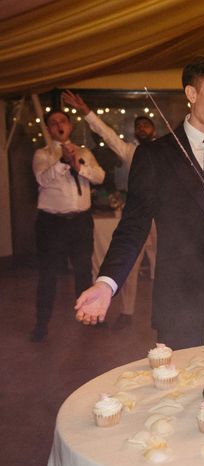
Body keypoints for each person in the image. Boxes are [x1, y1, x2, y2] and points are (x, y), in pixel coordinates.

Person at [74, 54, 204, 349]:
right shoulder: (154, 156)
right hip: (181, 302)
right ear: (191, 93)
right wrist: (106, 283)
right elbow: (133, 227)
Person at [62, 90, 158, 329]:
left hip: (164, 218)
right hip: (138, 217)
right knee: (131, 263)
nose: (143, 129)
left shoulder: (166, 152)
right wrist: (86, 112)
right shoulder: (130, 152)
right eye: (140, 126)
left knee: (161, 264)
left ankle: (163, 313)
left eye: (147, 125)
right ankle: (127, 312)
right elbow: (107, 133)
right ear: (136, 132)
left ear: (154, 130)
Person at [31, 110, 105, 342]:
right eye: (53, 123)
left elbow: (100, 177)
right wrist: (63, 162)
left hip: (81, 222)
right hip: (52, 223)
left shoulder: (84, 152)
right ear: (48, 129)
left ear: (70, 125)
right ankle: (41, 325)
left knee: (84, 271)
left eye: (62, 121)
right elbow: (41, 179)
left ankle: (89, 317)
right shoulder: (42, 154)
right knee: (48, 275)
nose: (58, 125)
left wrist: (78, 165)